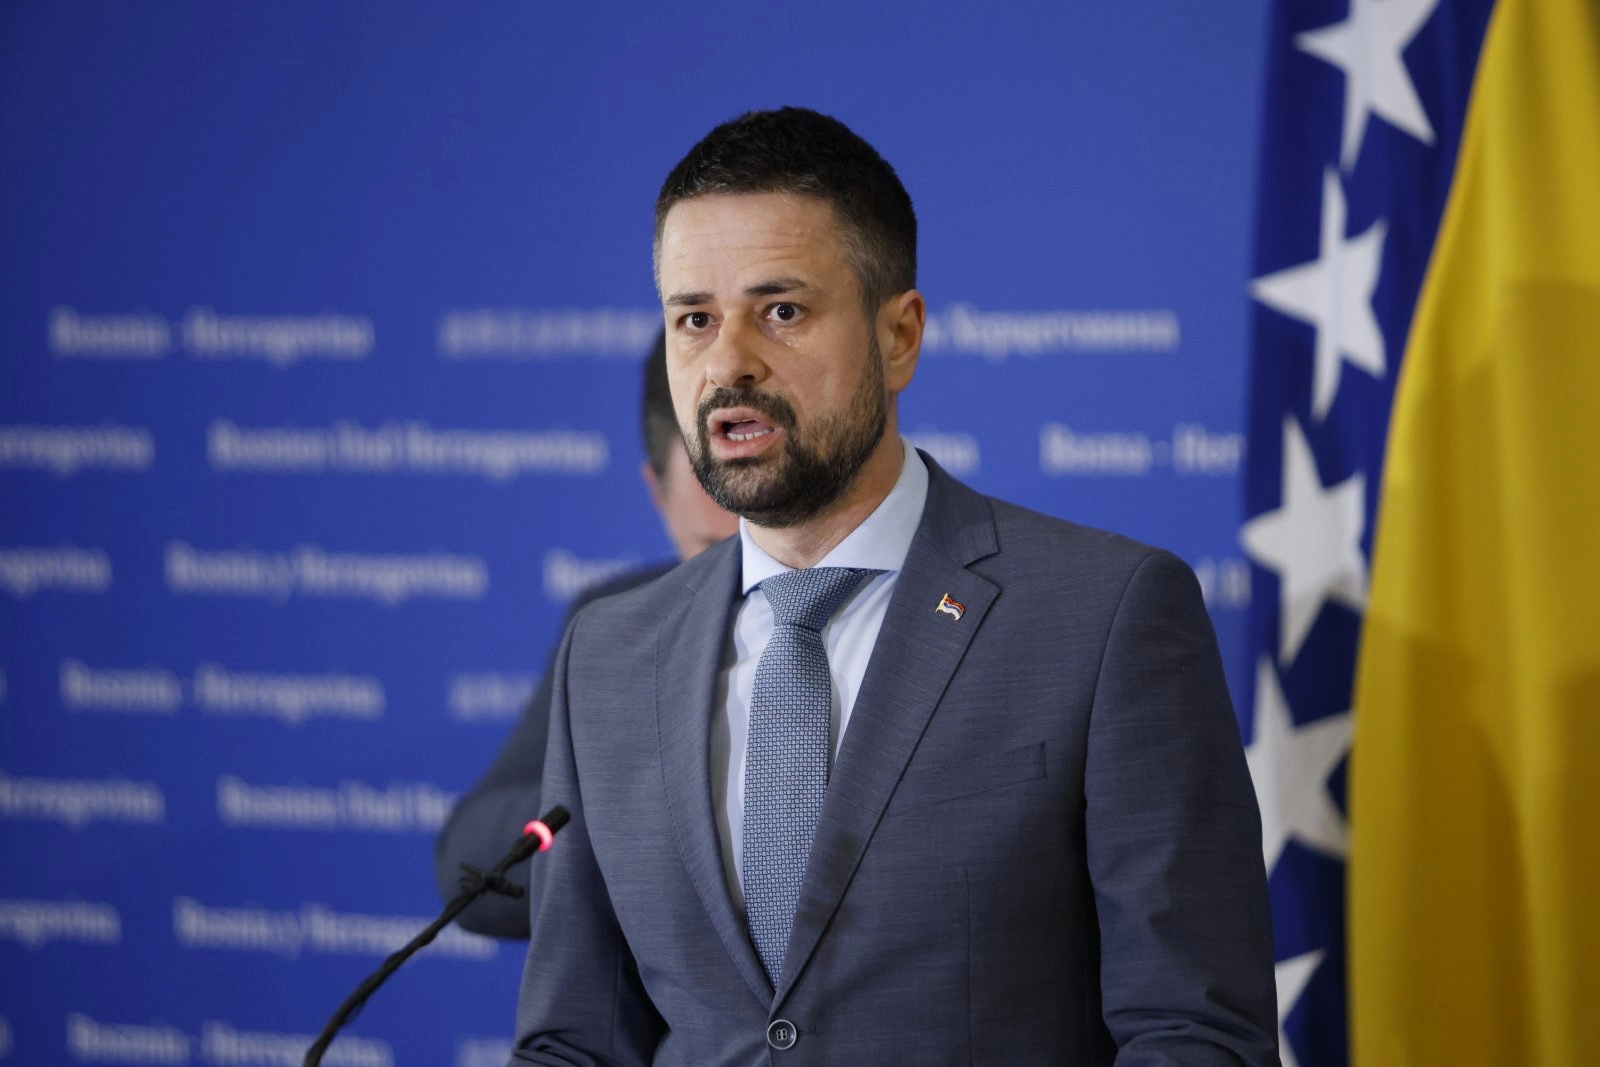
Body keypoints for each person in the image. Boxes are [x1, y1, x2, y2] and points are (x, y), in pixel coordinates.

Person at [511, 107, 1278, 1065]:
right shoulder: (611, 654)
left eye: (781, 311)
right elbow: (575, 1043)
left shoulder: (1104, 617)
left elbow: (1195, 1033)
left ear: (901, 335)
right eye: (694, 319)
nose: (729, 362)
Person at [434, 332, 736, 937]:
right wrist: (644, 808)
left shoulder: (924, 614)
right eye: (712, 551)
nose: (751, 577)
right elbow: (471, 861)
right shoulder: (620, 620)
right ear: (656, 493)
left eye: (773, 536)